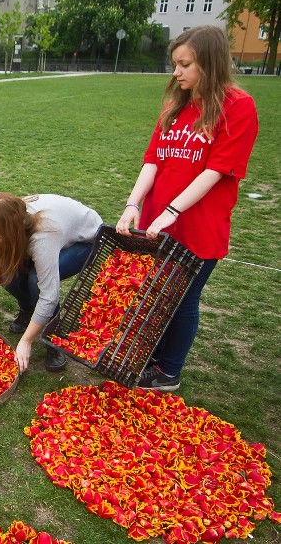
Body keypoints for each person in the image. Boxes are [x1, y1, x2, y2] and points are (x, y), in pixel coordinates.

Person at [116, 25, 258, 392]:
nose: (176, 72)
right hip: (156, 222)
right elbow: (152, 161)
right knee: (158, 293)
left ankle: (168, 372)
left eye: (185, 64)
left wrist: (173, 212)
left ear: (209, 64)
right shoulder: (175, 105)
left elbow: (215, 171)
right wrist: (134, 204)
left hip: (197, 226)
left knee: (183, 298)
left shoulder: (238, 107)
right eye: (175, 64)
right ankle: (152, 357)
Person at [0, 193, 103, 373]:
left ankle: (54, 336)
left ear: (8, 231)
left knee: (36, 280)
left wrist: (26, 341)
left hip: (86, 240)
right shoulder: (2, 221)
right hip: (49, 231)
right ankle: (29, 310)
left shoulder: (43, 237)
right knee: (4, 269)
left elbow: (49, 295)